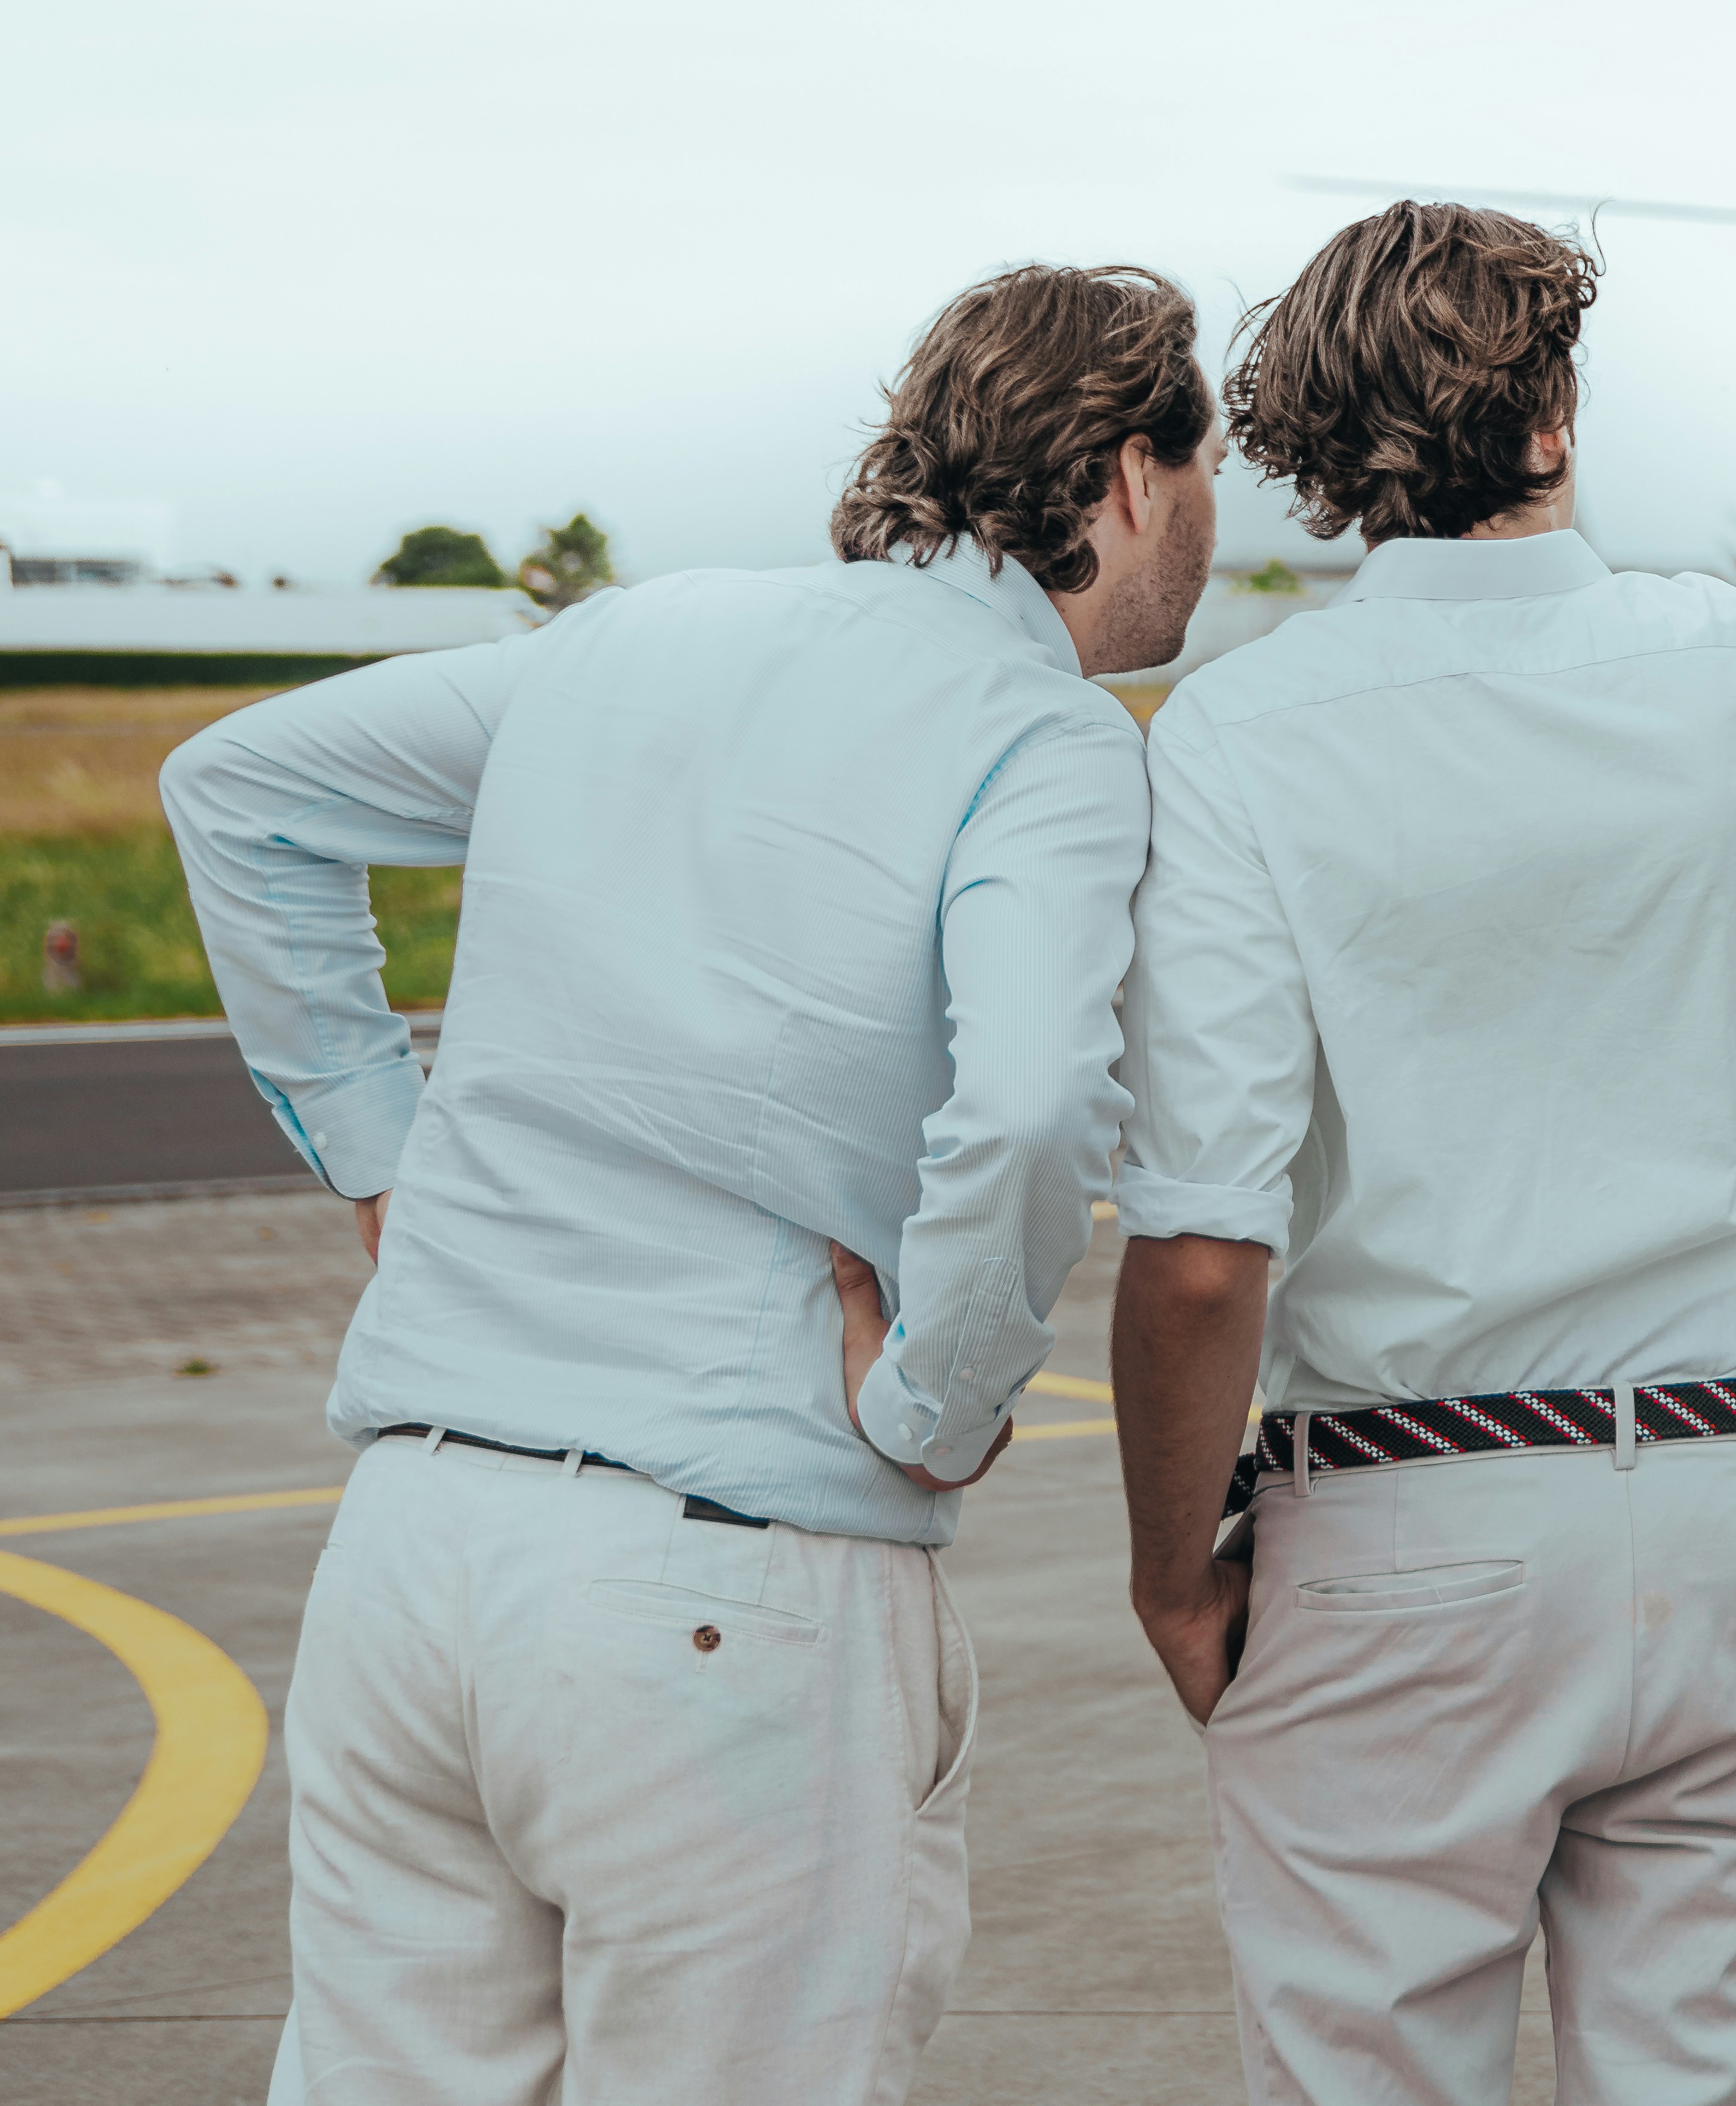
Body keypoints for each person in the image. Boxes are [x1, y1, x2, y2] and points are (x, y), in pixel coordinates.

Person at [166, 262, 1220, 2106]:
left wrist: (385, 1165)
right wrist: (939, 1401)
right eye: (1206, 476)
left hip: (411, 1554)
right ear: (1130, 472)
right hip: (725, 1580)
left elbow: (241, 791)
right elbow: (1041, 1097)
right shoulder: (1042, 739)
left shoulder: (625, 643)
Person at [1106, 200, 1736, 2106]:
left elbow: (1199, 1246)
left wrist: (1174, 1575)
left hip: (1404, 1511)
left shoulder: (1234, 741)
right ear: (1552, 423)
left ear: (1318, 455)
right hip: (1732, 1503)